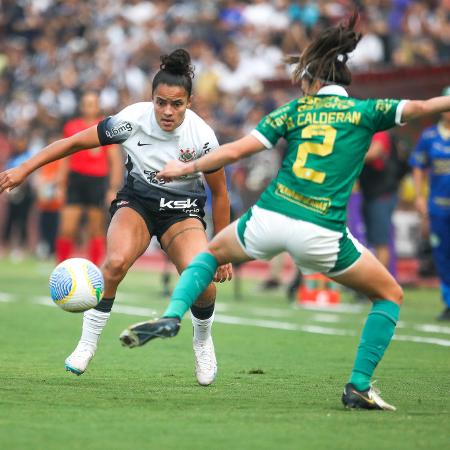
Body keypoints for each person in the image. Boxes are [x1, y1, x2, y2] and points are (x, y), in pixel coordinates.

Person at [119, 12, 450, 410]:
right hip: (322, 231)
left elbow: (237, 149)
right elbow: (426, 106)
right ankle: (359, 384)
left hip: (269, 218)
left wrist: (186, 167)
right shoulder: (366, 111)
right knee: (389, 295)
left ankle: (173, 315)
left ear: (312, 83)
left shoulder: (295, 111)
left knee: (207, 255)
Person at [0, 49, 232, 386]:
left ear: (189, 102)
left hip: (182, 213)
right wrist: (24, 168)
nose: (167, 111)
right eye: (160, 102)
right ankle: (86, 344)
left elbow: (221, 195)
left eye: (176, 104)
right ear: (151, 99)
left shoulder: (203, 137)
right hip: (137, 203)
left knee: (204, 285)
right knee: (115, 263)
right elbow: (72, 144)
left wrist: (222, 250)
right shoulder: (131, 119)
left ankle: (202, 340)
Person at [55, 91, 123, 266]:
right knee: (67, 228)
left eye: (92, 103)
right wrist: (60, 184)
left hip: (97, 181)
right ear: (81, 106)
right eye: (86, 103)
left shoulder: (107, 127)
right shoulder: (71, 126)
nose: (89, 107)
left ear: (98, 106)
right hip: (75, 180)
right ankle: (61, 269)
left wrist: (113, 188)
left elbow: (115, 160)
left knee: (96, 229)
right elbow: (64, 156)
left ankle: (94, 270)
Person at [409, 86, 450, 321]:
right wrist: (419, 197)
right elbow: (418, 166)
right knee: (442, 255)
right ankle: (448, 303)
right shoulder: (430, 136)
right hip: (439, 207)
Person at [359, 131, 399, 270]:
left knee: (381, 242)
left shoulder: (379, 132)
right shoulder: (367, 131)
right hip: (370, 194)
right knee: (374, 241)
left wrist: (348, 156)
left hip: (382, 195)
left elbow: (374, 152)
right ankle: (372, 283)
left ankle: (381, 285)